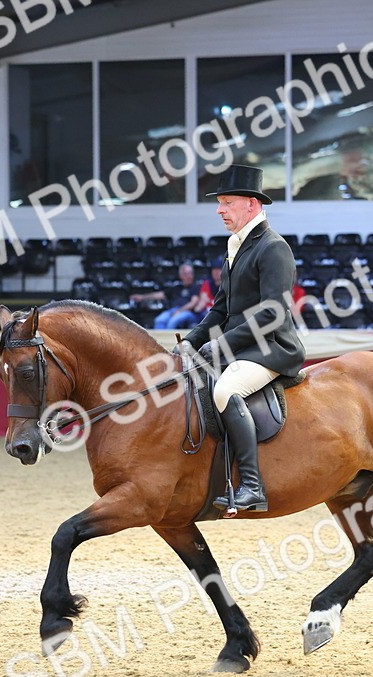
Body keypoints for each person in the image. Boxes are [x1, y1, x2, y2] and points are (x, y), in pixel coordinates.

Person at [184, 165, 306, 513]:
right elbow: (220, 310)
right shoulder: (235, 247)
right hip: (243, 348)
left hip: (272, 349)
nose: (219, 210)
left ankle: (252, 485)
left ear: (251, 204)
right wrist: (192, 340)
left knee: (226, 390)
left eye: (227, 202)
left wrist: (221, 345)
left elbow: (273, 314)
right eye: (220, 203)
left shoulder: (273, 248)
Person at [131, 263, 202, 329]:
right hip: (173, 310)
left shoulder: (196, 287)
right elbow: (160, 295)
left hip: (188, 312)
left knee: (173, 322)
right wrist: (142, 297)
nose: (189, 276)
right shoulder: (176, 288)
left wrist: (180, 311)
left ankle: (171, 339)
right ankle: (159, 339)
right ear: (181, 275)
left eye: (191, 273)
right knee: (159, 320)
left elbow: (193, 303)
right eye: (186, 274)